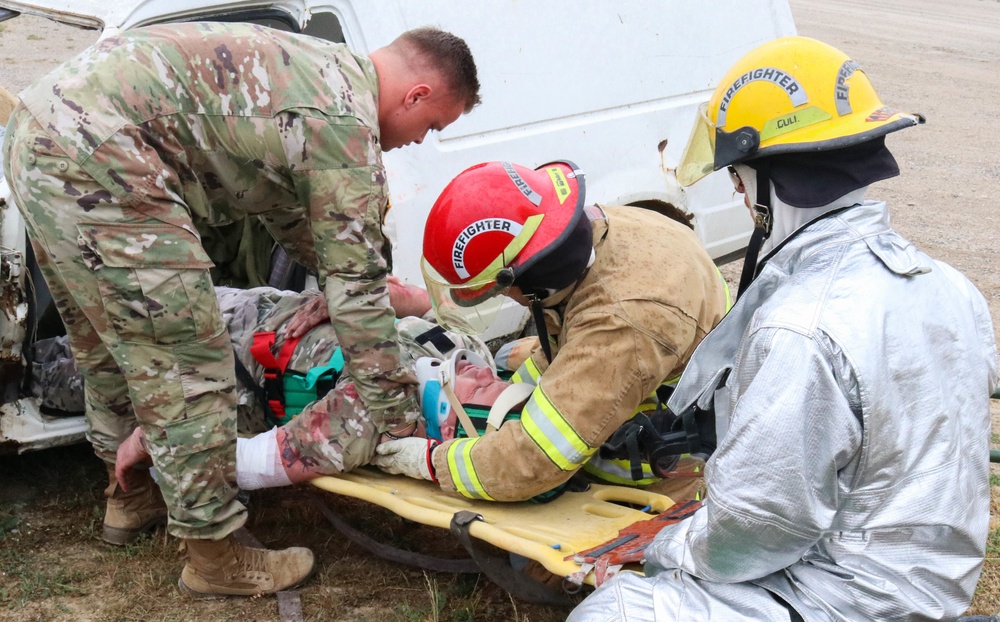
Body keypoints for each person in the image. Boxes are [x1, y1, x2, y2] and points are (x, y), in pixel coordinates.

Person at [2, 22, 480, 598]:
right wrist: (396, 415)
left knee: (106, 339)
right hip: (104, 158)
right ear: (417, 95)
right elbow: (358, 288)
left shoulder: (314, 72)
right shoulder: (345, 124)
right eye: (431, 127)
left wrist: (339, 280)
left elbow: (291, 213)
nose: (418, 141)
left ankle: (128, 499)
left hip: (39, 132)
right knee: (188, 361)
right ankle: (214, 557)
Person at [568, 36, 998, 621]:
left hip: (847, 596)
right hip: (927, 577)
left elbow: (760, 526)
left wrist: (669, 549)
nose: (741, 196)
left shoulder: (801, 326)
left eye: (741, 180)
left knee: (612, 611)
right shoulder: (949, 286)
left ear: (774, 180)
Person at [372, 160, 731, 502]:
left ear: (531, 279)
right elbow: (572, 335)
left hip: (676, 445)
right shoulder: (598, 230)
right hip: (681, 355)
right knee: (506, 357)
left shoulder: (619, 325)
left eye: (501, 290)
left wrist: (431, 463)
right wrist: (509, 390)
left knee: (568, 459)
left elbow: (535, 462)